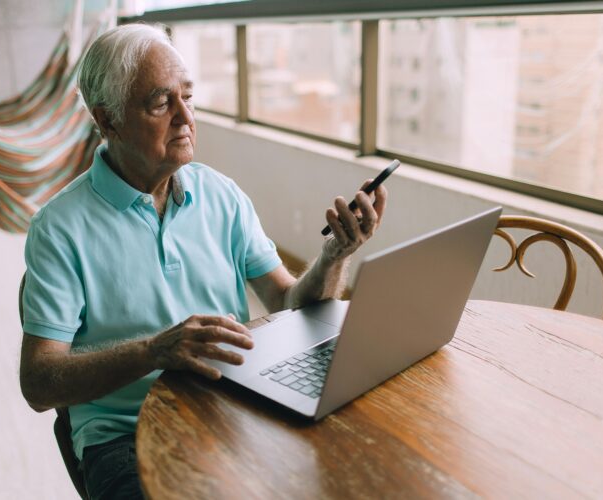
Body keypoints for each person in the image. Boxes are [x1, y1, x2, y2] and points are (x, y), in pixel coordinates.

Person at [19, 23, 387, 500]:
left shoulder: (221, 194)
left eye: (188, 98)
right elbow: (39, 382)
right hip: (123, 436)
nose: (185, 118)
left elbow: (291, 301)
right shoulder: (58, 229)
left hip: (235, 406)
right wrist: (154, 352)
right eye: (160, 103)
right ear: (107, 121)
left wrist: (335, 256)